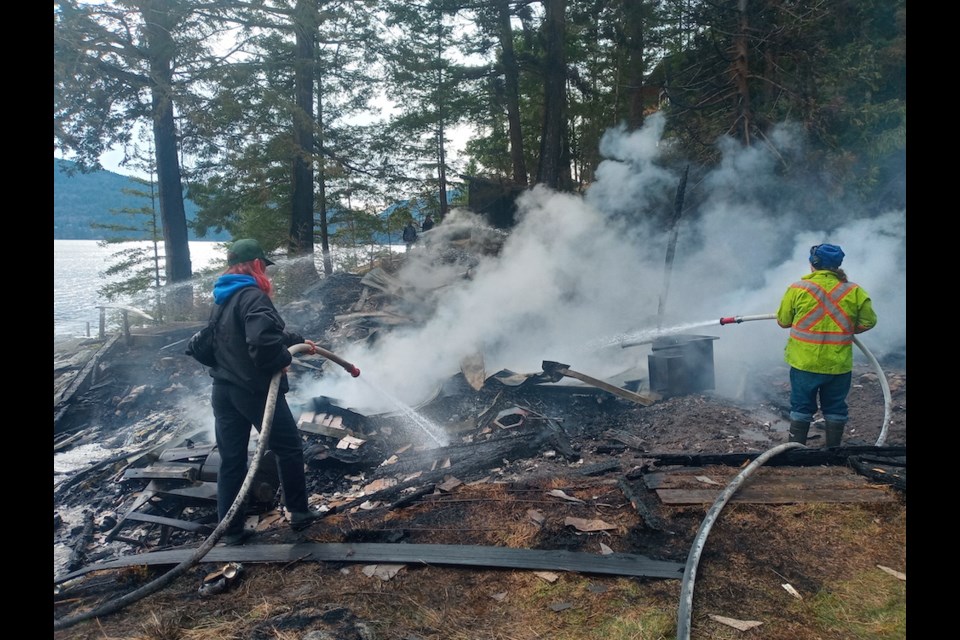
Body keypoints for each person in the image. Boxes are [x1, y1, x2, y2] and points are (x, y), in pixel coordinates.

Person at [207, 238, 323, 545]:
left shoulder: (223, 299)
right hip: (253, 391)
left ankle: (230, 530)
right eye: (264, 265)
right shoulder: (253, 296)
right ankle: (299, 513)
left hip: (223, 390)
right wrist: (282, 359)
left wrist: (296, 340)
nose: (266, 272)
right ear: (256, 265)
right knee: (288, 447)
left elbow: (229, 339)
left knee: (232, 459)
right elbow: (259, 342)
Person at [776, 243, 877, 447]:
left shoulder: (798, 288)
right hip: (838, 365)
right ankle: (833, 453)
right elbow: (868, 321)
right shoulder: (854, 291)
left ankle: (796, 453)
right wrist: (846, 329)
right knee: (836, 408)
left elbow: (783, 321)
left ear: (813, 263)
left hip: (805, 363)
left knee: (801, 408)